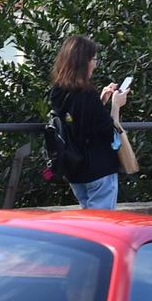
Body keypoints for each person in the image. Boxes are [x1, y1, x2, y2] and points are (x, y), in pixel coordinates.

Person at [47, 34, 126, 209]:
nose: (95, 65)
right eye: (93, 59)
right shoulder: (87, 94)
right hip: (99, 171)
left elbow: (78, 121)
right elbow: (108, 133)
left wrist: (101, 101)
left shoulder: (58, 92)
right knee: (101, 229)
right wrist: (116, 105)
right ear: (83, 62)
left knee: (89, 225)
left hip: (75, 171)